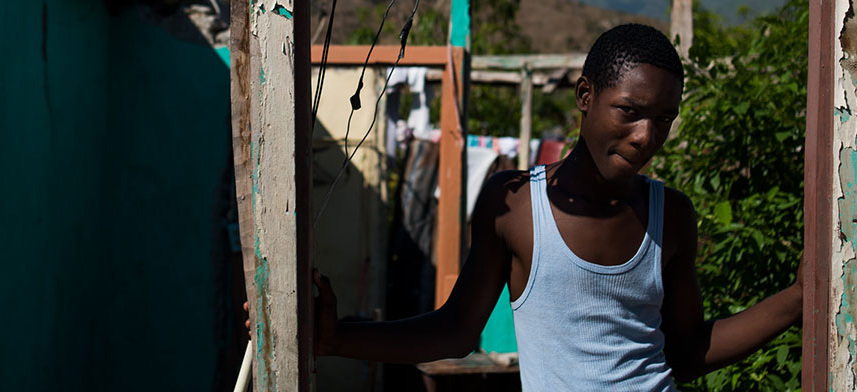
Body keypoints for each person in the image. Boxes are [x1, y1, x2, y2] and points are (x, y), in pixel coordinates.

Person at [313, 23, 804, 389]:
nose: (646, 137)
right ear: (585, 95)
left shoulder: (669, 214)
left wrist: (798, 298)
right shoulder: (517, 206)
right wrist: (336, 338)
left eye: (664, 118)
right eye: (630, 112)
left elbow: (687, 351)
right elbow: (456, 330)